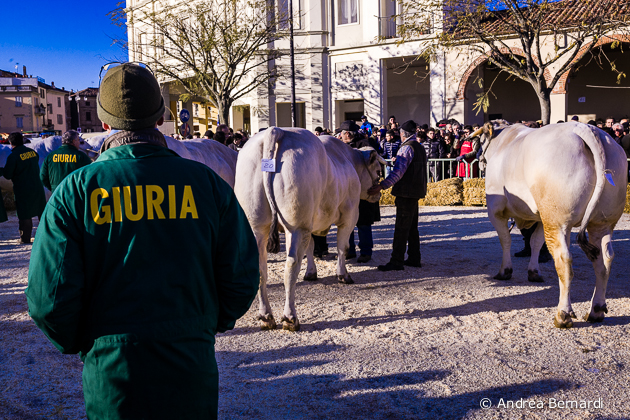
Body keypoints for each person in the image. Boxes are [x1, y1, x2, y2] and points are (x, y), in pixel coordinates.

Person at [25, 63, 259, 420]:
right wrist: (201, 326)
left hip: (113, 375)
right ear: (162, 115)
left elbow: (48, 299)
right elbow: (242, 274)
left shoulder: (75, 191)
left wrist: (90, 344)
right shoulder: (207, 184)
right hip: (191, 365)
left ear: (104, 123)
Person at [369, 120, 427, 271]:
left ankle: (396, 261)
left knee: (401, 228)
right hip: (415, 192)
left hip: (405, 192)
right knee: (412, 227)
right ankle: (414, 258)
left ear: (402, 134)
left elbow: (398, 173)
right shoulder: (419, 147)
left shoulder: (406, 148)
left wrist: (382, 186)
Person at [340, 120, 379, 262]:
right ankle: (349, 250)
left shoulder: (365, 146)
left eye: (342, 134)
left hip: (363, 191)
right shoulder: (341, 146)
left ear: (347, 134)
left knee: (363, 223)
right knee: (347, 222)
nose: (341, 136)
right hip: (347, 192)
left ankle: (365, 252)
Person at [1, 132, 47, 244]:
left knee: (25, 215)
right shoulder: (32, 152)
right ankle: (45, 237)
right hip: (37, 187)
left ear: (11, 143)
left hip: (23, 190)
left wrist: (2, 170)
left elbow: (7, 175)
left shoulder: (13, 156)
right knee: (41, 213)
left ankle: (25, 239)